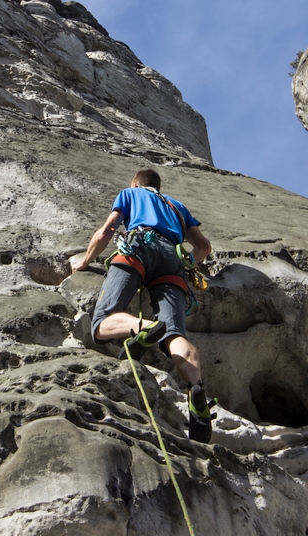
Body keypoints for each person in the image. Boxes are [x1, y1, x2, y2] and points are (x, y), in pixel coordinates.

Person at [69, 168, 216, 442]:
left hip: (138, 246)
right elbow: (204, 247)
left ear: (136, 183)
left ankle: (145, 328)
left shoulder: (130, 193)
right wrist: (188, 264)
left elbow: (108, 230)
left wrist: (85, 261)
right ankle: (196, 388)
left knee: (101, 324)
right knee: (175, 334)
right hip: (173, 260)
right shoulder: (177, 206)